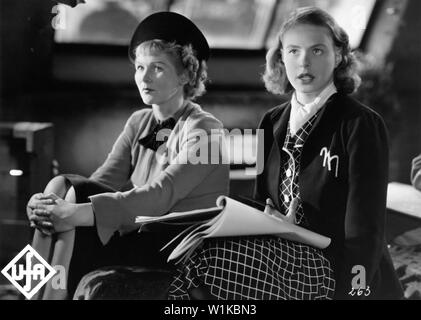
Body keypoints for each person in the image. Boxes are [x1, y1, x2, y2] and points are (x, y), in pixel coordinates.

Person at [168, 7, 403, 300]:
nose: (304, 62)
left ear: (339, 55)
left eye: (317, 50)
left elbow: (365, 229)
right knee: (193, 254)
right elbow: (259, 204)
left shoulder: (361, 124)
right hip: (280, 250)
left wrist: (355, 292)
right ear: (281, 58)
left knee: (212, 264)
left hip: (333, 266)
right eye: (293, 51)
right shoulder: (272, 121)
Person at [26, 11, 229, 300]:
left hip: (179, 246)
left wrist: (76, 212)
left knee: (71, 202)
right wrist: (48, 206)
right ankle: (35, 296)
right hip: (140, 233)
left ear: (186, 74)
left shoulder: (207, 130)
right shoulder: (140, 122)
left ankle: (46, 297)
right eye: (139, 67)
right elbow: (99, 181)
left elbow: (162, 195)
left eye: (157, 67)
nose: (143, 77)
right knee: (62, 189)